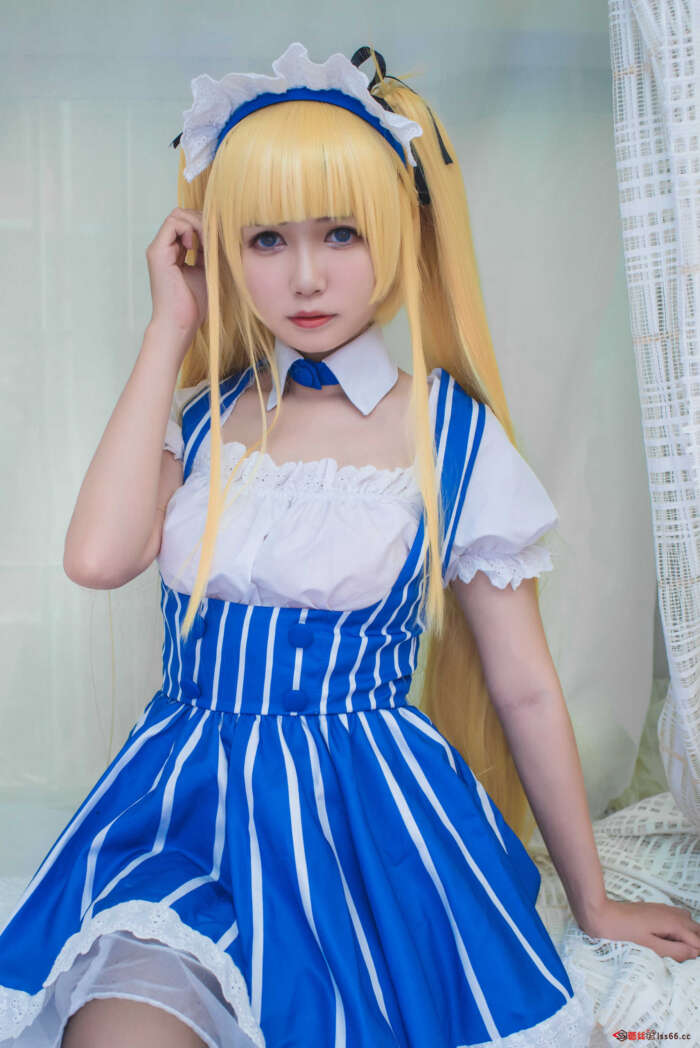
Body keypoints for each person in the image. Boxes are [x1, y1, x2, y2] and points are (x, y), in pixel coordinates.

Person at [1, 39, 699, 1048]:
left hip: (365, 827)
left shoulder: (448, 434)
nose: (307, 275)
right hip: (184, 819)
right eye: (265, 239)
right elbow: (96, 559)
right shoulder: (200, 418)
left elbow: (525, 688)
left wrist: (592, 901)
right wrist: (170, 328)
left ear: (399, 234)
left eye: (341, 232)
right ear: (221, 250)